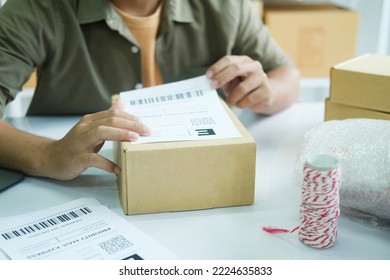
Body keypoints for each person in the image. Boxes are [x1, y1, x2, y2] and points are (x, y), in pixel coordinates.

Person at [0, 0, 300, 180]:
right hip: (86, 184)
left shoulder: (225, 6)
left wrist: (268, 93)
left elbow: (286, 74)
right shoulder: (38, 8)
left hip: (201, 175)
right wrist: (48, 156)